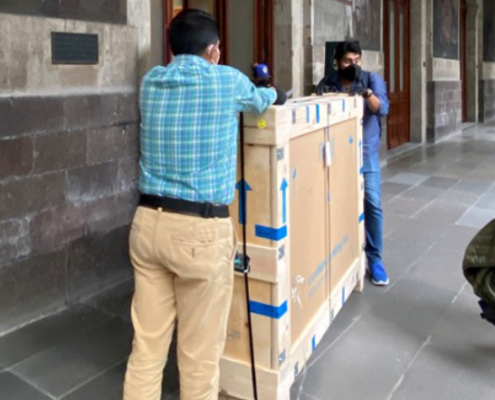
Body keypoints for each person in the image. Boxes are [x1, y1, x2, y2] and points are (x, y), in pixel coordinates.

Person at [123, 9, 280, 400]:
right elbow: (263, 101)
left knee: (146, 348)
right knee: (198, 358)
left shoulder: (151, 81)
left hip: (148, 225)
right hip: (200, 232)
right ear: (214, 51)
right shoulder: (226, 80)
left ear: (171, 48)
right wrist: (269, 86)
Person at [316, 41, 390, 286]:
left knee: (372, 202)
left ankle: (375, 259)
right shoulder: (327, 83)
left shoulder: (371, 80)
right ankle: (341, 254)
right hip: (336, 153)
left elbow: (383, 109)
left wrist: (366, 93)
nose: (353, 65)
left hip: (365, 152)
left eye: (357, 60)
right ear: (337, 62)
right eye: (348, 61)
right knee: (336, 203)